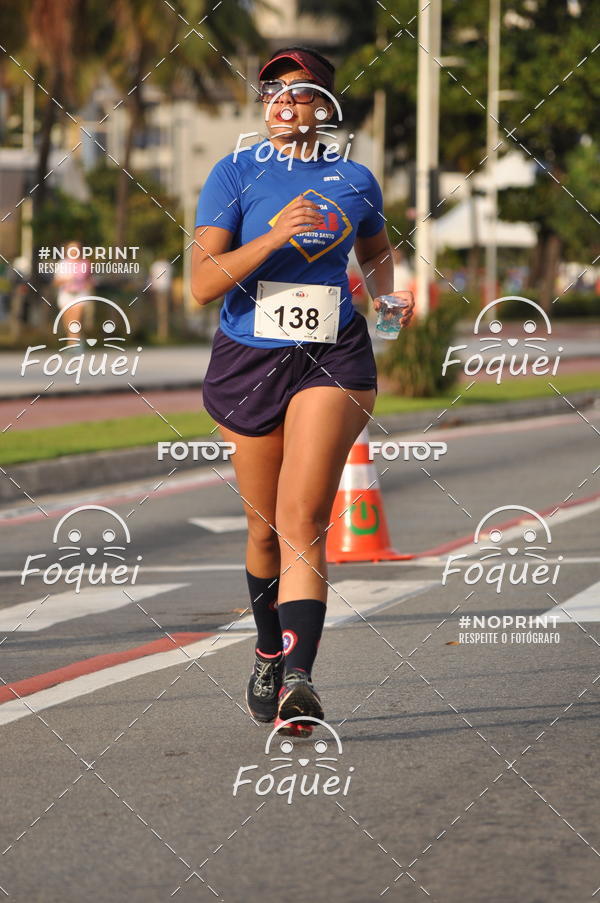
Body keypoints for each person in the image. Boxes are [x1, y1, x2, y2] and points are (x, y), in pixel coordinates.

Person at [191, 46, 414, 735]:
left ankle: (298, 678)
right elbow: (201, 283)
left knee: (303, 516)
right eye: (274, 92)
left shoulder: (354, 179)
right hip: (249, 360)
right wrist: (274, 237)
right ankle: (266, 648)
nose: (286, 103)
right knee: (262, 531)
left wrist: (386, 300)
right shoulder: (234, 173)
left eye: (302, 92)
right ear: (263, 106)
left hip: (333, 356)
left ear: (325, 105)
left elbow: (376, 252)